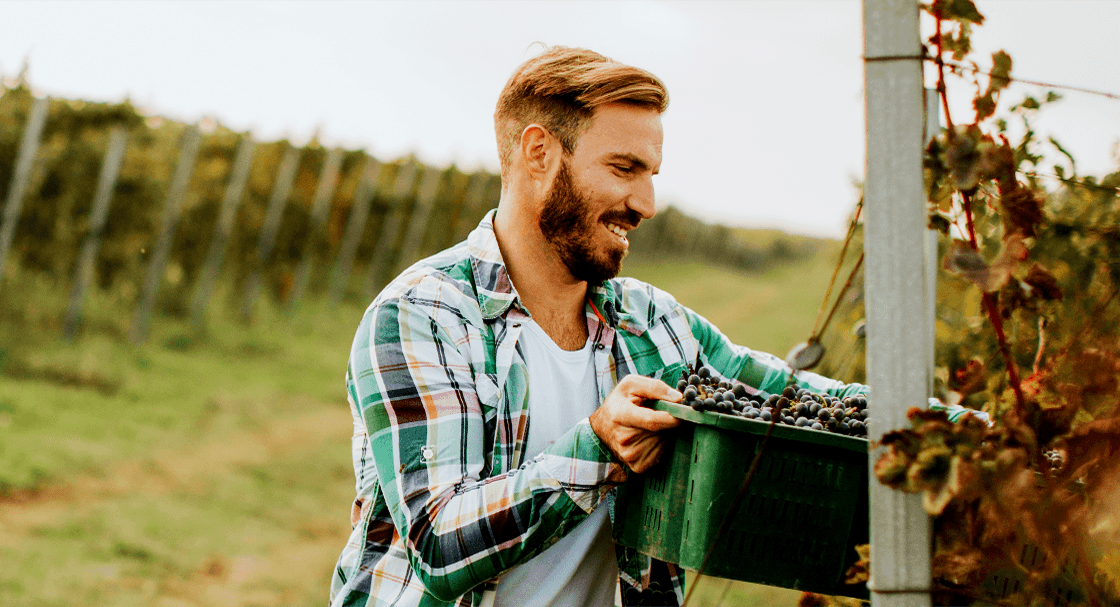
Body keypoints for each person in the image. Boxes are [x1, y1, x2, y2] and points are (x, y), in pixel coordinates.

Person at [327, 46, 867, 607]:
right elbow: (439, 543)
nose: (647, 203)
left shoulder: (655, 325)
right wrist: (599, 444)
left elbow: (808, 403)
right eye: (624, 168)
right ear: (540, 152)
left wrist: (945, 427)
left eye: (651, 174)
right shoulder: (423, 315)